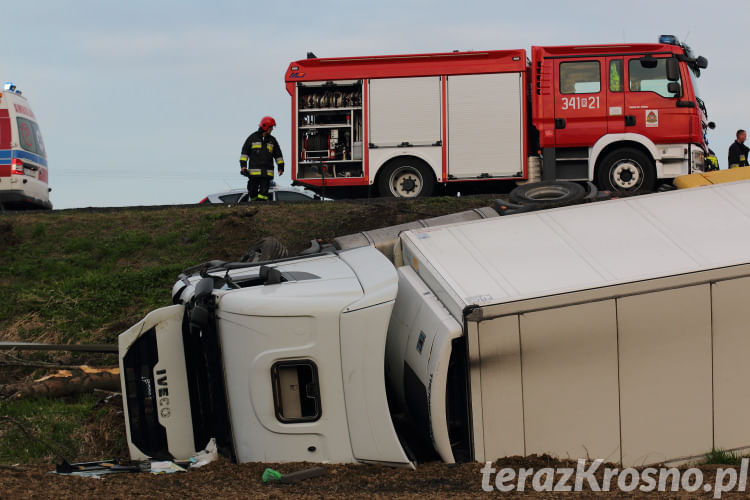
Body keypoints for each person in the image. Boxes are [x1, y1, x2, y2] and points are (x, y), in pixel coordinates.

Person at [239, 116, 285, 200]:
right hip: (254, 173)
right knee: (252, 191)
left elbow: (278, 155)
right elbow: (244, 154)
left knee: (263, 194)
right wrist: (243, 166)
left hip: (266, 173)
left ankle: (261, 205)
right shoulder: (252, 138)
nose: (272, 129)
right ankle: (255, 204)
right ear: (265, 126)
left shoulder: (272, 140)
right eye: (271, 127)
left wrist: (281, 167)